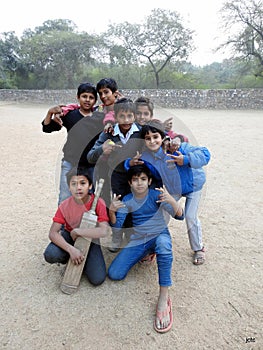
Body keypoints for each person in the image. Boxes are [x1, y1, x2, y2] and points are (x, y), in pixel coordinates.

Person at [107, 164, 184, 333]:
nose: (139, 183)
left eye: (143, 179)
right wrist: (112, 211)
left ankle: (164, 296)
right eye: (135, 180)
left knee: (163, 245)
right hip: (139, 239)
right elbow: (117, 227)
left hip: (159, 235)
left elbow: (180, 216)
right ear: (130, 182)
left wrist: (171, 199)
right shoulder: (127, 200)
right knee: (115, 274)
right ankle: (149, 252)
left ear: (149, 181)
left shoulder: (157, 194)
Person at [126, 119, 211, 265]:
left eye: (155, 137)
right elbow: (137, 170)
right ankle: (152, 248)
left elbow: (205, 154)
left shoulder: (177, 147)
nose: (152, 141)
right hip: (173, 189)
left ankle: (198, 248)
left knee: (190, 217)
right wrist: (129, 163)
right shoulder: (146, 158)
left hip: (194, 185)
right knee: (159, 213)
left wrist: (185, 159)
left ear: (162, 136)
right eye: (148, 138)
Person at [87, 98, 144, 251]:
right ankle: (117, 236)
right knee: (118, 207)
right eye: (122, 116)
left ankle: (132, 235)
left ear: (135, 116)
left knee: (137, 207)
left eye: (130, 116)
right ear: (115, 116)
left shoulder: (141, 131)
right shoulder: (108, 134)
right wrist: (102, 150)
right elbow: (90, 156)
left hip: (137, 178)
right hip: (116, 178)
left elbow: (159, 137)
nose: (126, 120)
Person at [43, 166, 109, 286]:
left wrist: (79, 232)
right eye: (73, 184)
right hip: (69, 236)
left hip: (90, 237)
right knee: (51, 254)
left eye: (82, 183)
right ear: (69, 187)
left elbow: (104, 231)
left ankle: (83, 260)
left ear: (90, 186)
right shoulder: (65, 205)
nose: (78, 187)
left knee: (97, 279)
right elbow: (53, 233)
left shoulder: (98, 203)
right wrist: (71, 249)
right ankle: (70, 257)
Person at [42, 82, 105, 204]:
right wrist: (50, 113)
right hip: (70, 162)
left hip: (90, 165)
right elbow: (47, 128)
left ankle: (83, 223)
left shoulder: (99, 118)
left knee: (88, 199)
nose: (87, 100)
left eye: (91, 98)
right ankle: (63, 223)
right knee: (65, 197)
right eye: (84, 96)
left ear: (95, 101)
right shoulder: (70, 115)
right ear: (78, 97)